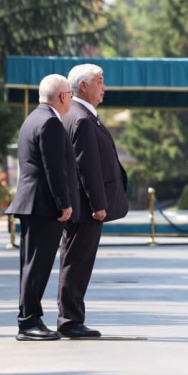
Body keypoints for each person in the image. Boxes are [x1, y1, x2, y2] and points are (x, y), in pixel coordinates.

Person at [5, 75, 79, 341]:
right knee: (37, 267)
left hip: (33, 204)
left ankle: (29, 318)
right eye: (70, 94)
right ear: (62, 96)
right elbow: (53, 168)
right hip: (43, 205)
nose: (71, 99)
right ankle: (29, 322)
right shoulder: (50, 122)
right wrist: (64, 203)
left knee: (31, 265)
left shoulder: (32, 119)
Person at [59, 64, 129, 338]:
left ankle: (71, 317)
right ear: (83, 86)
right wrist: (98, 204)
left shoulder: (80, 114)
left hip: (81, 205)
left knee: (76, 261)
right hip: (86, 207)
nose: (104, 87)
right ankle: (70, 320)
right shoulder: (81, 118)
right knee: (77, 263)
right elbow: (86, 166)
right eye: (100, 81)